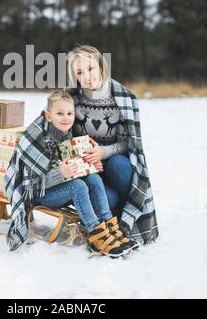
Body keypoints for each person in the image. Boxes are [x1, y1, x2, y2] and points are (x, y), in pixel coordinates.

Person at [4, 90, 133, 257]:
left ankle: (108, 225)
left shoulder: (66, 135)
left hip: (58, 188)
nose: (66, 118)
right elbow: (31, 184)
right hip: (38, 194)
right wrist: (60, 173)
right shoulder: (38, 139)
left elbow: (76, 167)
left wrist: (91, 166)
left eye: (70, 113)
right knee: (77, 186)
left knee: (92, 178)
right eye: (60, 113)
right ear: (48, 116)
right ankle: (95, 234)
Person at [65, 44, 159, 246]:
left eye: (90, 68)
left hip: (114, 164)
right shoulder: (71, 100)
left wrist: (103, 152)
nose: (87, 76)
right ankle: (111, 218)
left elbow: (129, 143)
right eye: (80, 72)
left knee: (119, 164)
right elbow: (61, 135)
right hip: (90, 170)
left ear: (100, 65)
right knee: (105, 200)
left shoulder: (123, 98)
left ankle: (128, 218)